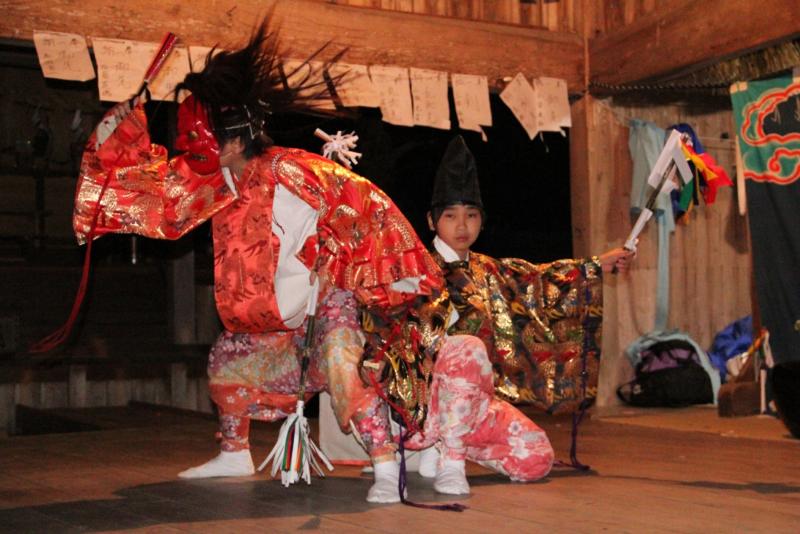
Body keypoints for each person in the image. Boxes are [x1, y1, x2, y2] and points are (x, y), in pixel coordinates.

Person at [72, 21, 442, 503]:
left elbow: (365, 204)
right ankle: (234, 452)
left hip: (324, 314)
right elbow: (150, 200)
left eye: (200, 140)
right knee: (228, 359)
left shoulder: (291, 169)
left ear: (232, 139)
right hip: (271, 326)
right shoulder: (215, 182)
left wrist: (343, 263)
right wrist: (116, 135)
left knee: (342, 366)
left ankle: (386, 464)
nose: (193, 151)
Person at [407, 136, 634, 478]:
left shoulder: (489, 270)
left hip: (479, 405)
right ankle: (431, 443)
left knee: (536, 457)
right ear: (431, 220)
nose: (462, 225)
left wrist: (596, 266)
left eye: (471, 215)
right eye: (451, 215)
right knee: (463, 349)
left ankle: (454, 445)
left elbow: (539, 280)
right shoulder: (416, 271)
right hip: (428, 404)